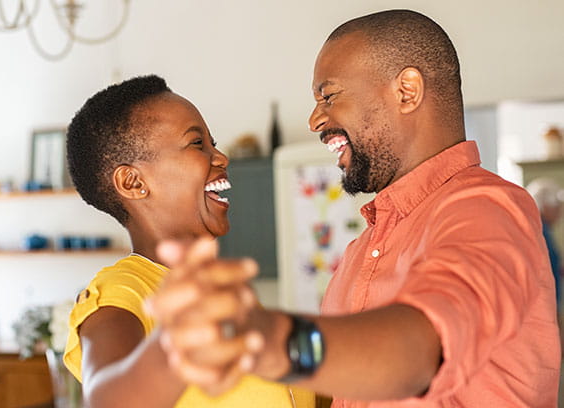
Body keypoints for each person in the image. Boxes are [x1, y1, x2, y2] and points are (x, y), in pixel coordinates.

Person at [147, 9, 561, 407]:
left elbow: (418, 353)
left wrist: (268, 339)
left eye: (328, 96)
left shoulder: (485, 209)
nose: (314, 120)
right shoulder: (362, 250)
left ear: (406, 91)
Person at [62, 75, 314, 408]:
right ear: (133, 181)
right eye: (197, 144)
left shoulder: (223, 295)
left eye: (213, 143)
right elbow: (107, 397)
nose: (221, 157)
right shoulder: (122, 291)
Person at [527, 177, 563, 308]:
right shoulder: (541, 231)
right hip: (544, 305)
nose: (560, 214)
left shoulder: (541, 228)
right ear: (546, 206)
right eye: (557, 208)